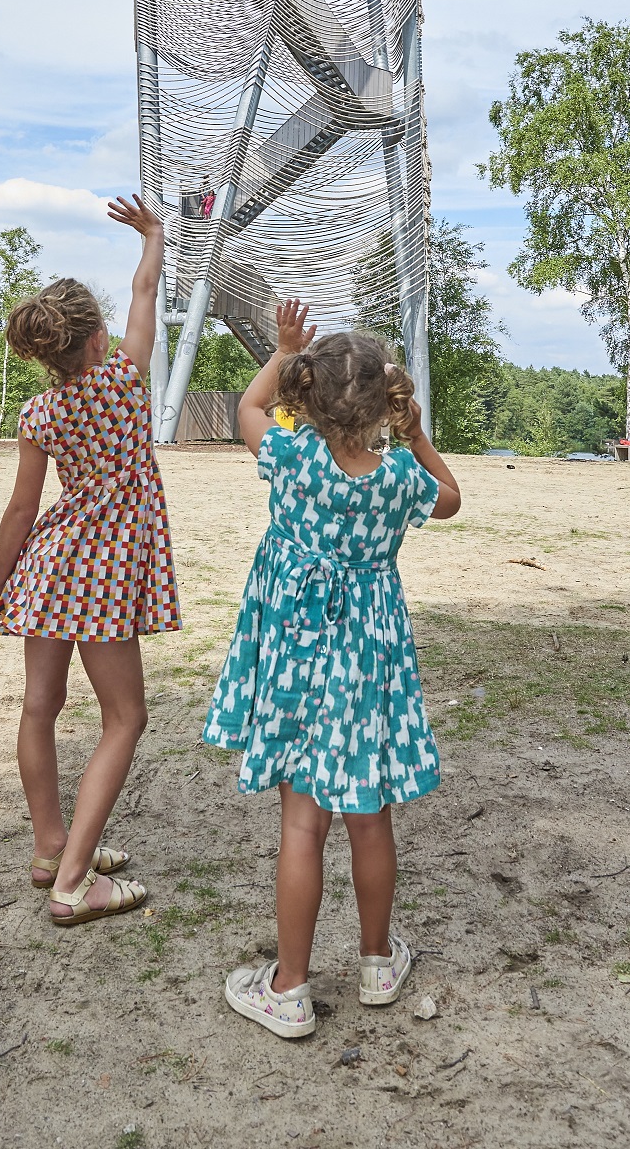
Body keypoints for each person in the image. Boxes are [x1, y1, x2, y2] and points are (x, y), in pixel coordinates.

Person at [205, 302, 460, 1040]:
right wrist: (413, 433)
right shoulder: (402, 480)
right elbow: (452, 500)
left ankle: (287, 987)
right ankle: (378, 962)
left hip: (294, 655)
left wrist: (283, 352)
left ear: (307, 395)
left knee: (301, 823)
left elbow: (250, 406)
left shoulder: (290, 457)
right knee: (370, 815)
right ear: (386, 401)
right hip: (368, 663)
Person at [0, 195, 177, 927]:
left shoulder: (39, 414)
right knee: (125, 718)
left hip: (49, 565)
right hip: (104, 571)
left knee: (40, 708)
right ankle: (75, 883)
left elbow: (22, 510)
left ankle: (52, 845)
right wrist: (153, 236)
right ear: (98, 339)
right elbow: (147, 291)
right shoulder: (125, 382)